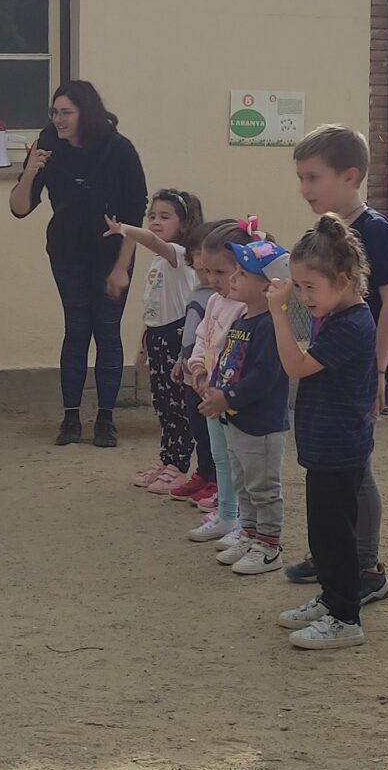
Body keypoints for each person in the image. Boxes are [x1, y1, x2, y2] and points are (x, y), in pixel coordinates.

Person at [283, 125, 388, 604]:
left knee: (356, 468)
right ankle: (332, 553)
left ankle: (365, 564)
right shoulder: (323, 234)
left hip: (359, 366)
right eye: (300, 178)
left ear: (349, 176)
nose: (304, 189)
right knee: (335, 470)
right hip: (329, 360)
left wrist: (378, 370)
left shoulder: (377, 231)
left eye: (312, 177)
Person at [8, 81, 148, 448]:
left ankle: (106, 420)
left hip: (112, 253)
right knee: (77, 329)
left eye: (65, 112)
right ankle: (70, 418)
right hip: (67, 252)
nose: (58, 119)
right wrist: (30, 171)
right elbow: (19, 208)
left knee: (107, 330)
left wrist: (121, 267)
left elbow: (136, 212)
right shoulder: (47, 145)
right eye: (54, 112)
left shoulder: (119, 149)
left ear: (86, 112)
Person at [265, 214, 380, 650]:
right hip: (327, 445)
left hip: (339, 447)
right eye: (297, 286)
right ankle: (332, 599)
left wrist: (278, 314)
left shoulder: (351, 324)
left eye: (310, 287)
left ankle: (345, 617)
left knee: (335, 537)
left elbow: (295, 366)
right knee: (324, 534)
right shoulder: (337, 315)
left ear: (344, 280)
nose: (302, 296)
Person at [198, 223, 289, 577]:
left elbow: (265, 376)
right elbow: (228, 363)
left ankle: (269, 546)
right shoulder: (243, 321)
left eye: (241, 274)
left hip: (261, 424)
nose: (232, 279)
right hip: (237, 420)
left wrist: (228, 396)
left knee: (263, 487)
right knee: (243, 484)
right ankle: (249, 536)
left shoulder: (270, 325)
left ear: (267, 285)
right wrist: (214, 388)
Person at [103, 189, 207, 495]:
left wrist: (125, 228)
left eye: (165, 216)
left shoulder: (178, 255)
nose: (156, 222)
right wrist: (143, 345)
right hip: (158, 337)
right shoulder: (158, 262)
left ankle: (180, 466)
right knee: (163, 405)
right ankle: (167, 460)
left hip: (178, 338)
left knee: (179, 406)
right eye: (152, 216)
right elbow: (153, 307)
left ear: (184, 223)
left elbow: (151, 240)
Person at [181, 223, 245, 543]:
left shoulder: (245, 307)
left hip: (231, 397)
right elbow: (202, 338)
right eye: (207, 271)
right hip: (210, 392)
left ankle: (244, 521)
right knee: (220, 456)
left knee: (238, 460)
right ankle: (227, 514)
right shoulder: (214, 302)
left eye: (220, 272)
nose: (212, 279)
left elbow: (239, 354)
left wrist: (222, 387)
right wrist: (198, 368)